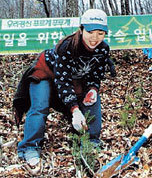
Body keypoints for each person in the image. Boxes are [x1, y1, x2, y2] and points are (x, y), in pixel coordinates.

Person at [13, 9, 114, 169]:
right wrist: (74, 110)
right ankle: (29, 147)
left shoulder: (103, 49)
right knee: (40, 105)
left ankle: (91, 142)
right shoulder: (67, 46)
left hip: (74, 77)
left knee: (92, 100)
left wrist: (93, 89)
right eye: (90, 32)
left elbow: (96, 73)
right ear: (81, 30)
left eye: (100, 33)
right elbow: (63, 81)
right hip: (46, 72)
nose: (95, 38)